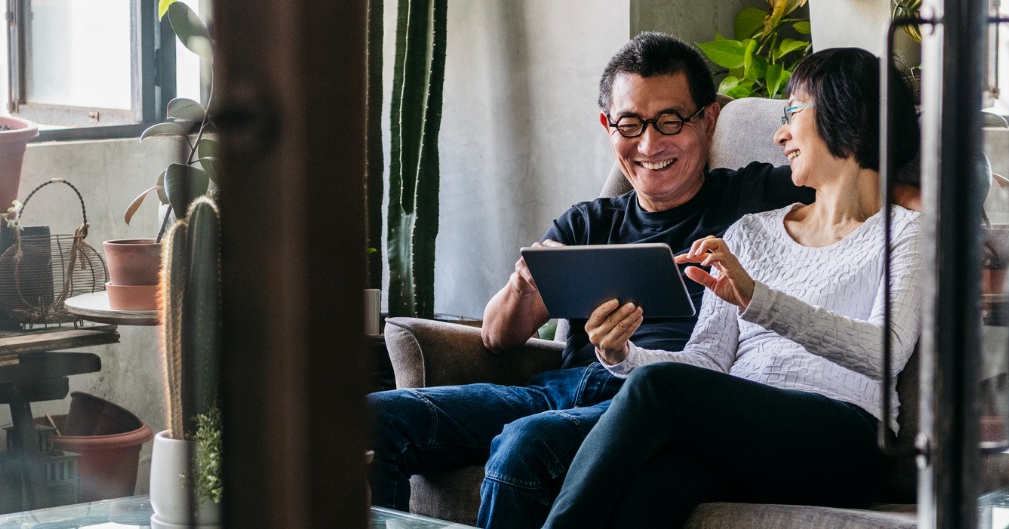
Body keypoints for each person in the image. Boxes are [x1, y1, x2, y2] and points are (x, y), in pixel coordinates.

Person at [367, 32, 814, 529]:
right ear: (608, 125)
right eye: (630, 123)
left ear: (707, 120)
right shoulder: (587, 223)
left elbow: (857, 177)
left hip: (652, 404)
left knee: (525, 443)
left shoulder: (753, 194)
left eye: (670, 121)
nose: (650, 144)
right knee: (376, 417)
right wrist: (524, 285)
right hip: (557, 390)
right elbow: (498, 336)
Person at [541, 47, 924, 529]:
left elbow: (884, 350)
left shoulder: (908, 233)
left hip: (846, 441)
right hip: (744, 436)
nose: (779, 133)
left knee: (659, 390)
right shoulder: (749, 233)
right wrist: (624, 356)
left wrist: (756, 299)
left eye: (792, 112)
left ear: (849, 112)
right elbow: (707, 360)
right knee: (650, 489)